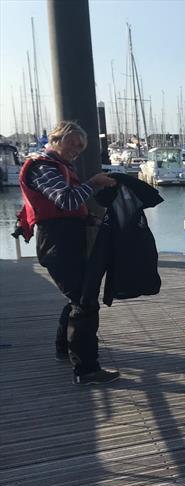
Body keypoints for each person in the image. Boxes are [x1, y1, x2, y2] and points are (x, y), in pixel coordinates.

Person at [17, 120, 120, 385]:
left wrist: (91, 220)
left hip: (68, 239)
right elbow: (67, 200)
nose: (76, 149)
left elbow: (71, 209)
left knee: (77, 296)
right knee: (85, 303)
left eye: (80, 146)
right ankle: (86, 370)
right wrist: (94, 183)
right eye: (71, 142)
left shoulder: (61, 167)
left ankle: (64, 350)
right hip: (56, 243)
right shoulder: (43, 167)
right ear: (55, 139)